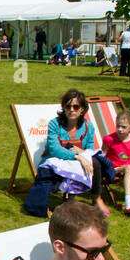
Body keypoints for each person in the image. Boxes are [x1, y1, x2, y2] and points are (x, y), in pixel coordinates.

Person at [23, 89, 111, 217]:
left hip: (77, 162)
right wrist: (77, 156)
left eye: (76, 106)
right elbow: (54, 149)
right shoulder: (54, 124)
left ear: (82, 109)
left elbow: (90, 149)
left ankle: (97, 198)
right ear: (63, 107)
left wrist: (81, 154)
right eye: (68, 106)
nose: (71, 110)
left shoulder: (88, 126)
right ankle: (64, 203)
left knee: (96, 162)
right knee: (50, 172)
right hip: (56, 160)